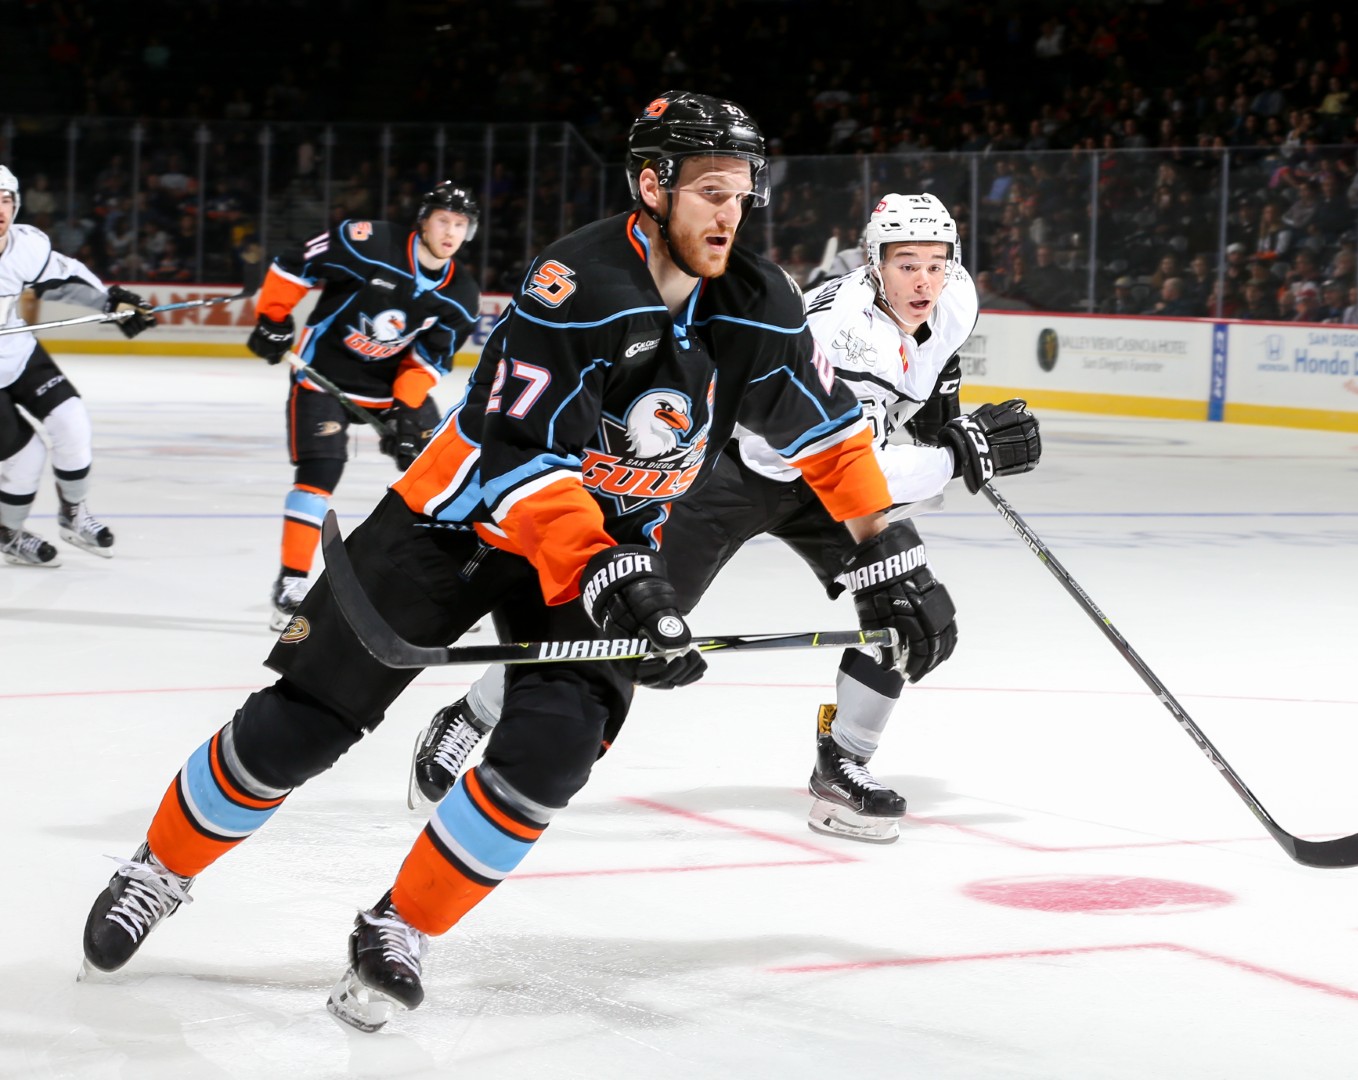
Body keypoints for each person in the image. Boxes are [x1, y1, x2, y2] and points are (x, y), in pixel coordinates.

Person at [78, 92, 961, 1034]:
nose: (730, 213)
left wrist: (890, 554)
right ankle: (158, 870)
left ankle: (399, 926)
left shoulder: (760, 301)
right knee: (303, 725)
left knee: (552, 752)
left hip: (598, 552)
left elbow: (828, 437)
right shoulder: (575, 284)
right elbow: (520, 461)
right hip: (456, 524)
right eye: (711, 191)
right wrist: (608, 568)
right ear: (652, 185)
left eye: (742, 193)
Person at [407, 192, 1040, 844]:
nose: (925, 282)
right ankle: (473, 712)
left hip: (828, 479)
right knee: (627, 625)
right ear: (873, 264)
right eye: (907, 265)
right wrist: (956, 456)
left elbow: (936, 370)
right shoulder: (843, 331)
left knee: (909, 602)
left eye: (936, 264)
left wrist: (945, 426)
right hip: (738, 471)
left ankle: (842, 765)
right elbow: (853, 465)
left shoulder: (956, 297)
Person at [249, 182, 481, 631]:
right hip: (322, 377)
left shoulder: (461, 293)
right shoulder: (370, 243)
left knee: (439, 479)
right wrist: (272, 318)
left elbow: (430, 359)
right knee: (319, 472)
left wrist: (406, 409)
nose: (450, 232)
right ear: (424, 221)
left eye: (460, 224)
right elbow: (296, 263)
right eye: (443, 221)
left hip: (387, 389)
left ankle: (437, 590)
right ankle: (291, 584)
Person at [0, 164, 156, 566]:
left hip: (16, 352)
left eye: (6, 200)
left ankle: (73, 514)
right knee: (26, 458)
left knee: (72, 422)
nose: (0, 210)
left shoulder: (25, 246)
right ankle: (9, 533)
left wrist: (111, 303)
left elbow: (65, 279)